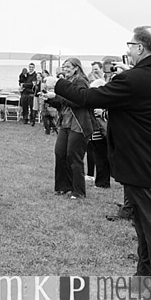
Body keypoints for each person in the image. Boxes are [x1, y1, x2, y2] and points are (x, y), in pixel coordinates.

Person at [52, 26, 151, 280]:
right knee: (143, 224)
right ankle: (143, 276)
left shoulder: (135, 79)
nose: (127, 50)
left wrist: (56, 84)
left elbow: (88, 97)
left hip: (141, 161)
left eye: (130, 45)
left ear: (141, 48)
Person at [42, 58, 94, 199]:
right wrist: (50, 99)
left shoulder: (81, 81)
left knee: (73, 156)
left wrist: (58, 96)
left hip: (79, 124)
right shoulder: (68, 82)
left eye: (68, 67)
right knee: (60, 153)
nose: (65, 70)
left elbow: (79, 101)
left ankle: (78, 191)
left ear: (76, 68)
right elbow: (63, 104)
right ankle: (63, 187)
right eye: (63, 67)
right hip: (66, 123)